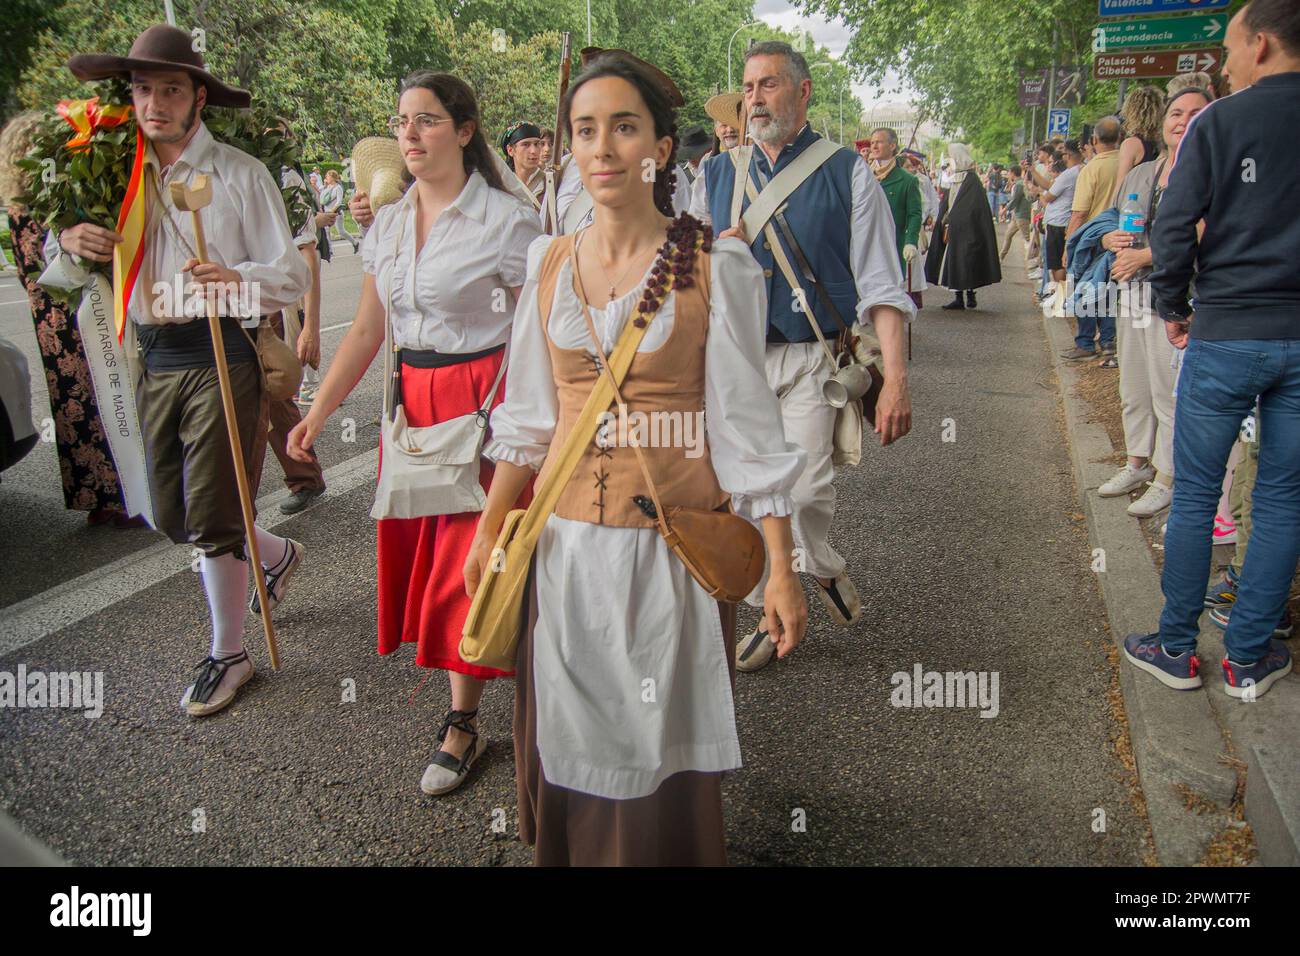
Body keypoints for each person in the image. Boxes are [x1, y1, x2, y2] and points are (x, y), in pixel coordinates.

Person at [465, 52, 807, 866]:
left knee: (657, 745)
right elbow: (527, 420)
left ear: (659, 146)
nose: (604, 148)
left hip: (670, 555)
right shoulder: (548, 262)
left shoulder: (713, 268)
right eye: (586, 130)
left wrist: (782, 569)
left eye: (624, 127)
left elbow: (749, 437)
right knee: (575, 738)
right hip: (565, 549)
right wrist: (488, 532)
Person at [287, 71, 542, 793]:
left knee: (474, 565)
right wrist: (319, 410)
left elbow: (537, 329)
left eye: (426, 120)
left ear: (464, 132)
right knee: (437, 566)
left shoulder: (506, 219)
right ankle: (476, 705)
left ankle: (467, 720)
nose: (408, 134)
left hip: (485, 406)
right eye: (402, 121)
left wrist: (532, 421)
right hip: (415, 407)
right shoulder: (390, 224)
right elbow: (370, 329)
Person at [49, 24, 312, 716]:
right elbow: (66, 266)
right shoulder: (113, 178)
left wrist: (234, 278)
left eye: (171, 89)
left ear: (198, 97)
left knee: (213, 510)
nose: (155, 103)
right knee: (171, 511)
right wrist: (72, 241)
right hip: (151, 356)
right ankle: (274, 554)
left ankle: (230, 651)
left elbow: (288, 274)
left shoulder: (239, 175)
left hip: (219, 354)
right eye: (143, 89)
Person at [690, 40, 914, 670]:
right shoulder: (714, 173)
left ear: (803, 91)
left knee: (808, 490)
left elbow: (882, 286)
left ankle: (809, 566)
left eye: (767, 85)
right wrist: (708, 255)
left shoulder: (848, 172)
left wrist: (895, 377)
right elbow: (675, 269)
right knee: (746, 492)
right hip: (733, 360)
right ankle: (776, 602)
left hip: (814, 356)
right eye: (748, 87)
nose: (753, 99)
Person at [1124, 0, 1300, 702]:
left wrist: (1174, 306)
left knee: (1196, 493)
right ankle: (1249, 658)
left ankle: (1174, 648)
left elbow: (1172, 230)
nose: (1223, 64)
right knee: (1286, 498)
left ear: (1260, 44)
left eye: (1228, 48)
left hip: (1225, 330)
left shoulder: (1218, 123)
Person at [1, 111, 139, 527]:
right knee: (107, 394)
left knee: (73, 406)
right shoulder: (49, 208)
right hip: (75, 312)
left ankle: (97, 498)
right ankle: (123, 495)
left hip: (49, 321)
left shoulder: (18, 208)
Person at [1097, 86, 1212, 521]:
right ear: (1162, 122)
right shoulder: (1144, 172)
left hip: (1177, 301)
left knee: (1168, 393)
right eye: (1175, 113)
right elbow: (1113, 219)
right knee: (1135, 387)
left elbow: (1206, 233)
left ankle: (1167, 478)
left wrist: (1146, 256)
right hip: (1133, 294)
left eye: (1195, 113)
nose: (1182, 121)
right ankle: (1137, 464)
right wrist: (1109, 237)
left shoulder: (1211, 171)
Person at [923, 143, 1000, 310]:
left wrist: (955, 217)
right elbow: (951, 203)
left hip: (969, 230)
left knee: (968, 260)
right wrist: (946, 218)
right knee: (955, 261)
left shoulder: (972, 181)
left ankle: (970, 295)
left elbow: (973, 208)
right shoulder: (957, 177)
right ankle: (958, 297)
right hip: (954, 228)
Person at [868, 127, 925, 307]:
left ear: (892, 145)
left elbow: (914, 214)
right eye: (872, 142)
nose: (874, 146)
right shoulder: (862, 176)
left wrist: (911, 241)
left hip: (892, 245)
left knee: (890, 296)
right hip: (866, 245)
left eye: (879, 141)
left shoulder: (907, 180)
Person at [1036, 140, 1082, 321]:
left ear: (1067, 156)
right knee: (1061, 264)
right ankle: (1060, 300)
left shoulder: (1069, 174)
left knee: (1057, 265)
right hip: (1064, 222)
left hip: (1058, 224)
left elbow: (1048, 197)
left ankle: (1061, 301)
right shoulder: (1080, 171)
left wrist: (1039, 194)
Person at [1112, 85, 1164, 206]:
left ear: (1130, 111)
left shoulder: (1131, 144)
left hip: (1135, 210)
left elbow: (1121, 188)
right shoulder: (1164, 143)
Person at [501, 121, 547, 213]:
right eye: (526, 144)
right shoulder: (503, 186)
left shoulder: (551, 183)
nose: (533, 151)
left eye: (537, 144)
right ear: (510, 150)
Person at [999, 165, 1034, 266]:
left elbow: (1015, 200)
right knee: (1008, 235)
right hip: (1017, 215)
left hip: (1021, 215)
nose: (1008, 175)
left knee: (1027, 239)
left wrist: (1004, 210)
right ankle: (1001, 257)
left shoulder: (1019, 184)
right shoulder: (1019, 183)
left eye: (1009, 172)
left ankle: (1034, 261)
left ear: (1013, 173)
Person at [319, 169, 360, 253]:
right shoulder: (327, 187)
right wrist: (324, 185)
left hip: (336, 213)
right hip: (326, 213)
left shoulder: (338, 188)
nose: (326, 177)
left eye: (328, 176)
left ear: (333, 178)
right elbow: (321, 196)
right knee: (326, 231)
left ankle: (355, 243)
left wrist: (332, 211)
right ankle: (329, 250)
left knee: (341, 231)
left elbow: (339, 202)